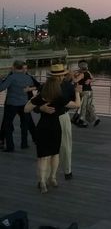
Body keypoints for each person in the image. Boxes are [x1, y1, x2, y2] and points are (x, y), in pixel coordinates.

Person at [24, 64, 80, 193]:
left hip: (52, 121)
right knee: (54, 153)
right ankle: (49, 179)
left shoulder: (48, 87)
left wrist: (40, 107)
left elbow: (29, 107)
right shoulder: (60, 89)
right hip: (55, 122)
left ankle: (52, 177)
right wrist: (40, 108)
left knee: (52, 153)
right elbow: (76, 103)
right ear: (60, 75)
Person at [0, 60, 36, 152]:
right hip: (24, 103)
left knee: (8, 125)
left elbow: (1, 88)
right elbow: (34, 85)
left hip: (11, 104)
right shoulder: (28, 77)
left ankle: (10, 147)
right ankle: (24, 144)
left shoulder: (11, 77)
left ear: (15, 67)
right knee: (24, 124)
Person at [74, 60, 100, 128]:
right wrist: (90, 80)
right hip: (90, 91)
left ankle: (81, 120)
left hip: (85, 92)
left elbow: (75, 80)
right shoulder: (88, 72)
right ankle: (95, 118)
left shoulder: (82, 74)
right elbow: (93, 79)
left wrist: (72, 76)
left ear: (80, 67)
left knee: (83, 107)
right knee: (89, 106)